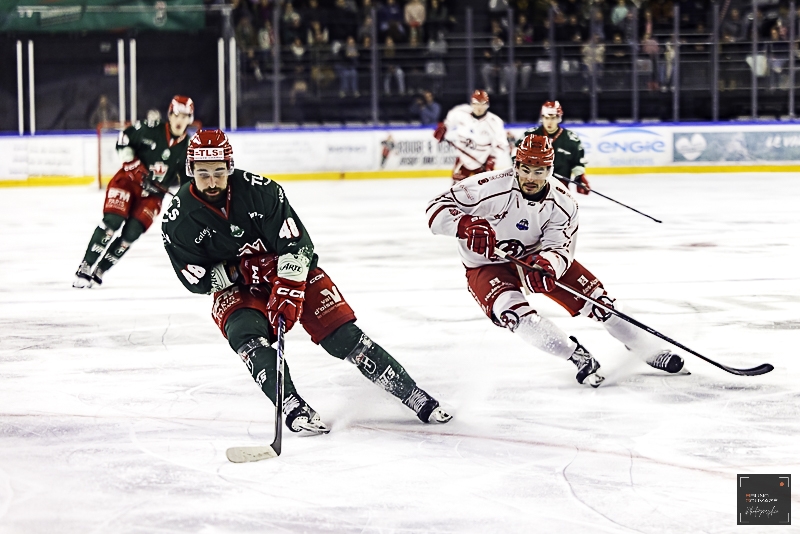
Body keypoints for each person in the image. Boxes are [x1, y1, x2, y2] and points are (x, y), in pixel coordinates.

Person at [161, 129, 452, 434]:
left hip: (289, 272)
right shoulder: (177, 221)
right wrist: (241, 272)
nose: (211, 181)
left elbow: (298, 246)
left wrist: (287, 287)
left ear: (229, 166)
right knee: (247, 338)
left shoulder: (262, 192)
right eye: (203, 173)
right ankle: (290, 404)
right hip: (238, 290)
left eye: (219, 172)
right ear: (190, 170)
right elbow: (194, 277)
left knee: (343, 336)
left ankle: (413, 394)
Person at [425, 134, 685, 388]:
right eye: (525, 169)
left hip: (534, 257)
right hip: (485, 264)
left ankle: (647, 348)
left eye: (538, 171)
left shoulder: (563, 203)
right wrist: (465, 224)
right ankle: (576, 355)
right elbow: (435, 208)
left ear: (549, 169)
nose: (530, 178)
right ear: (515, 165)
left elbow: (560, 248)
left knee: (599, 303)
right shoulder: (488, 186)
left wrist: (548, 263)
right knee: (513, 314)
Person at [73, 96, 195, 288]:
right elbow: (124, 139)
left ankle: (101, 270)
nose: (180, 120)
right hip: (127, 183)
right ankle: (86, 265)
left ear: (190, 119)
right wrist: (133, 165)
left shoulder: (187, 147)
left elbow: (187, 180)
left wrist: (188, 198)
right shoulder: (151, 128)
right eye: (177, 115)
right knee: (113, 222)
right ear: (170, 115)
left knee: (131, 233)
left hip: (153, 195)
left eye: (185, 116)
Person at [433, 89, 510, 183]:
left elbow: (501, 144)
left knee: (485, 192)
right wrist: (442, 129)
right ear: (472, 103)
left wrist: (491, 160)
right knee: (456, 191)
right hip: (463, 160)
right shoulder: (461, 113)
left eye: (483, 104)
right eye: (476, 103)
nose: (479, 107)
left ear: (487, 105)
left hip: (483, 162)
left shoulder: (494, 122)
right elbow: (448, 122)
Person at [516, 101, 590, 195]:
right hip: (532, 183)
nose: (549, 122)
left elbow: (577, 161)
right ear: (542, 118)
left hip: (560, 186)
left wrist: (580, 177)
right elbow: (516, 157)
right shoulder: (529, 135)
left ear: (559, 118)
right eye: (546, 118)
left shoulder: (571, 139)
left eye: (553, 118)